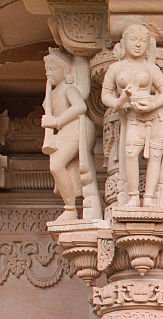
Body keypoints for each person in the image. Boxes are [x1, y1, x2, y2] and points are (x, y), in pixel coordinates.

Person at [101, 23, 163, 208]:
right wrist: (119, 102)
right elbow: (105, 95)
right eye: (133, 40)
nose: (138, 44)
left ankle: (149, 197)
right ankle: (133, 196)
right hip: (132, 115)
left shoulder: (150, 68)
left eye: (142, 41)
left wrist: (153, 102)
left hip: (156, 116)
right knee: (131, 152)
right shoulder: (116, 68)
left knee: (155, 155)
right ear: (124, 42)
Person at [41, 48, 102, 224]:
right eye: (47, 69)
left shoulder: (68, 89)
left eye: (52, 68)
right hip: (63, 132)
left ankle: (70, 209)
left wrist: (57, 121)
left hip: (75, 128)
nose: (49, 73)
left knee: (56, 165)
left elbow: (80, 107)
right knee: (59, 166)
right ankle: (70, 208)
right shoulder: (52, 93)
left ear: (66, 70)